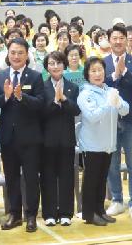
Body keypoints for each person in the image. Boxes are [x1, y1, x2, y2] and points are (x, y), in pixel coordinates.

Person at [0, 38, 45, 232]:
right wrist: (5, 96)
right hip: (8, 136)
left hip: (30, 137)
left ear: (26, 55)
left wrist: (23, 98)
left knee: (31, 178)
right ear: (8, 53)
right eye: (13, 52)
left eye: (20, 52)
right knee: (11, 177)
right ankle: (14, 213)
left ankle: (31, 215)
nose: (16, 56)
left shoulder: (35, 77)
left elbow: (40, 103)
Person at [77, 57, 129, 226]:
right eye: (93, 71)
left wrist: (118, 103)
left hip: (108, 143)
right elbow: (92, 117)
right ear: (87, 74)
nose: (97, 74)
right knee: (91, 180)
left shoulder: (110, 90)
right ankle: (89, 214)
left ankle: (100, 210)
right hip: (92, 144)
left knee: (101, 179)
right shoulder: (85, 94)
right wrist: (108, 103)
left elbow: (126, 110)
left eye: (100, 70)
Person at [103, 24, 132, 221]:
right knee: (112, 164)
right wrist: (115, 75)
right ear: (109, 40)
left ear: (128, 40)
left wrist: (125, 72)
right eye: (115, 38)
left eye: (122, 38)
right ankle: (117, 200)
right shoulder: (102, 62)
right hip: (110, 121)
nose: (118, 41)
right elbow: (100, 84)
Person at [41, 51, 80, 227]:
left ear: (64, 65)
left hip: (67, 140)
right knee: (48, 177)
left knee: (66, 176)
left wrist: (63, 98)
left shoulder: (72, 87)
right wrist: (55, 102)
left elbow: (76, 111)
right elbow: (40, 113)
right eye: (51, 63)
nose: (55, 66)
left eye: (58, 63)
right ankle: (49, 213)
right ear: (47, 67)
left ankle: (65, 213)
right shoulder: (41, 87)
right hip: (46, 141)